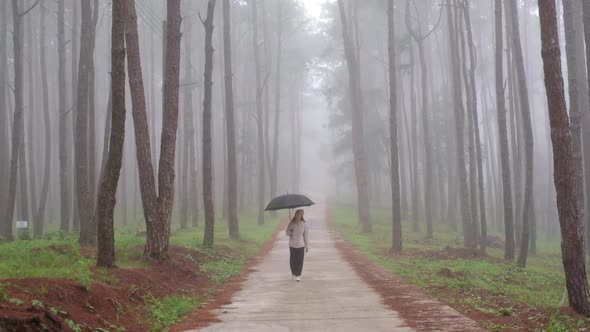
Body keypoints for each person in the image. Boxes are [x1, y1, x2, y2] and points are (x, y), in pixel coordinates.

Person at [285, 209, 309, 282]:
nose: (297, 216)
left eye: (299, 214)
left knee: (300, 261)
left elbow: (306, 236)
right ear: (295, 215)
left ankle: (298, 275)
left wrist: (307, 246)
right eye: (296, 214)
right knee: (293, 261)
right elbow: (287, 233)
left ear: (301, 216)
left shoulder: (304, 224)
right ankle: (293, 273)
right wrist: (290, 230)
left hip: (301, 245)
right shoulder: (291, 223)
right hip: (292, 245)